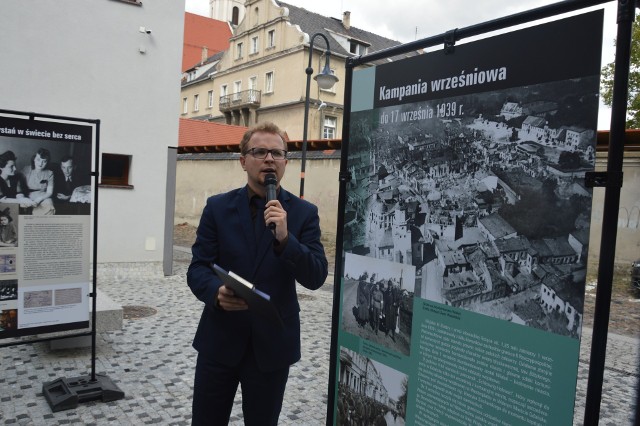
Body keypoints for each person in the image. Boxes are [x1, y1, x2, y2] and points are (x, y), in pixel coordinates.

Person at [187, 121, 328, 425]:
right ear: (243, 160)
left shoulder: (303, 214)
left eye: (277, 153)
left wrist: (286, 240)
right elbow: (198, 267)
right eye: (260, 151)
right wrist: (215, 293)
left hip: (272, 346)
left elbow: (316, 276)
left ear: (285, 163)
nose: (269, 159)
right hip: (220, 340)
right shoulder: (217, 208)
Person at [22, 148, 55, 215]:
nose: (40, 163)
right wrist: (25, 198)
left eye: (44, 161)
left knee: (49, 205)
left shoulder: (50, 173)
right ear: (34, 159)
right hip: (27, 196)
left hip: (43, 196)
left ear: (47, 162)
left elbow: (49, 192)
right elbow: (19, 188)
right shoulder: (26, 169)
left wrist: (39, 199)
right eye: (38, 160)